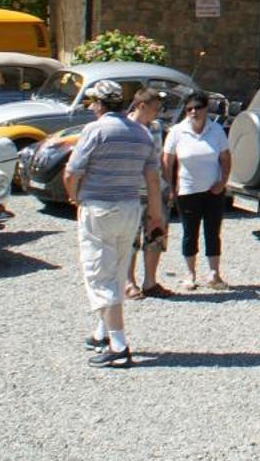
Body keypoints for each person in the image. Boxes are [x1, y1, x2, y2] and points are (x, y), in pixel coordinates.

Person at [63, 79, 164, 368]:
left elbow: (72, 171)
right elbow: (153, 180)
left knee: (99, 273)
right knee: (118, 269)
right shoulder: (142, 134)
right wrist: (155, 215)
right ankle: (101, 333)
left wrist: (75, 197)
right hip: (130, 206)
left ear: (99, 104)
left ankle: (119, 345)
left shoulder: (95, 130)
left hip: (99, 206)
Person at [162, 92, 230, 290]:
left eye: (198, 108)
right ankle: (190, 274)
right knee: (189, 232)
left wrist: (223, 181)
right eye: (189, 108)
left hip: (213, 189)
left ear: (206, 108)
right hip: (187, 189)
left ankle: (214, 273)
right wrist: (171, 186)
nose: (194, 112)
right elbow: (168, 160)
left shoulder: (216, 130)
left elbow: (225, 158)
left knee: (213, 231)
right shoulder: (177, 131)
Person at [124, 88, 175, 300]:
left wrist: (169, 184)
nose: (157, 113)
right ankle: (128, 282)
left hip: (157, 190)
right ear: (141, 106)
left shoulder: (157, 128)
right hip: (132, 191)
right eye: (155, 109)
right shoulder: (124, 128)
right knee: (129, 238)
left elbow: (162, 157)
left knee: (156, 236)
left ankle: (150, 281)